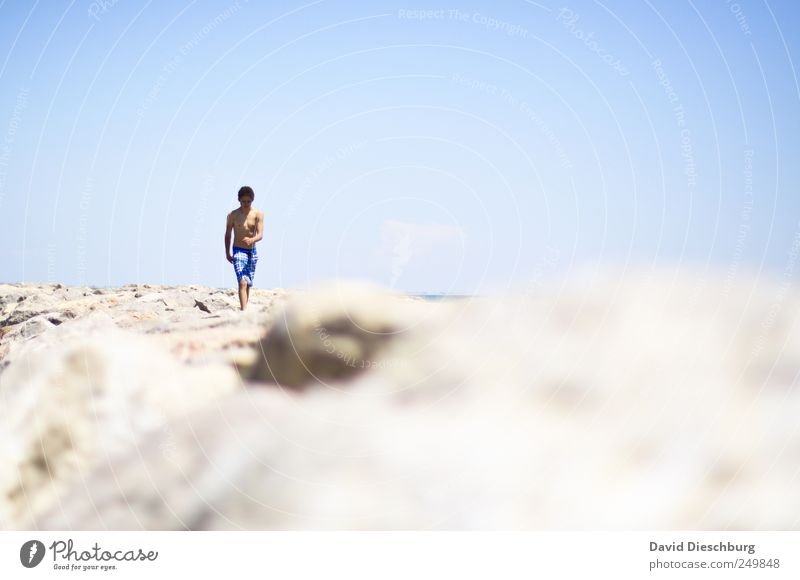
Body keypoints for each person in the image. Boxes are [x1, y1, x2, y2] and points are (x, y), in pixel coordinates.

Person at [225, 186, 263, 310]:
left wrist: (252, 240)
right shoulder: (232, 215)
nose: (246, 204)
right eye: (243, 201)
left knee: (247, 282)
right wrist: (227, 253)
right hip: (238, 250)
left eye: (248, 201)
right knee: (242, 281)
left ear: (252, 200)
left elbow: (260, 235)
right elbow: (228, 234)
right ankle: (244, 311)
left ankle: (244, 308)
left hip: (252, 251)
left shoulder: (258, 214)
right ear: (239, 200)